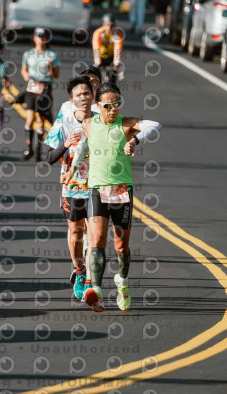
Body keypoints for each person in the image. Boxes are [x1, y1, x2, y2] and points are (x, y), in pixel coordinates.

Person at [62, 83, 161, 312]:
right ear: (98, 106)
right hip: (97, 189)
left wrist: (134, 140)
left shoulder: (126, 124)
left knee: (121, 246)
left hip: (122, 190)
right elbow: (84, 146)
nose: (113, 109)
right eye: (108, 105)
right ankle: (96, 290)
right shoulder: (89, 124)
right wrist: (72, 170)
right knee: (96, 239)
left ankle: (122, 282)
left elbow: (155, 125)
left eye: (117, 104)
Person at [43, 76, 95, 300]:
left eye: (86, 93)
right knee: (76, 232)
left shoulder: (102, 121)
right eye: (78, 95)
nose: (83, 97)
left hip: (97, 186)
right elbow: (49, 158)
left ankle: (92, 282)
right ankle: (80, 271)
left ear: (93, 95)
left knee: (94, 236)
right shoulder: (64, 122)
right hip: (73, 188)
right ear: (71, 100)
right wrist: (65, 144)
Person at [20, 27, 60, 161]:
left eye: (43, 37)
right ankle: (29, 147)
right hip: (32, 87)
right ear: (34, 38)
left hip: (45, 88)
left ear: (46, 39)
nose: (40, 40)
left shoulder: (52, 55)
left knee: (41, 120)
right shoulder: (28, 54)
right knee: (30, 118)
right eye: (38, 37)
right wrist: (27, 77)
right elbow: (24, 70)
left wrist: (50, 67)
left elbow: (56, 75)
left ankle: (38, 148)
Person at [92, 14, 124, 84]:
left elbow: (118, 48)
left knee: (113, 77)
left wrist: (116, 61)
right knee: (97, 76)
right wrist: (97, 61)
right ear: (103, 24)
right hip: (101, 57)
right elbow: (96, 47)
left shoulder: (117, 34)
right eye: (107, 25)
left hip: (111, 57)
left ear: (114, 25)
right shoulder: (98, 33)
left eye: (111, 25)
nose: (109, 27)